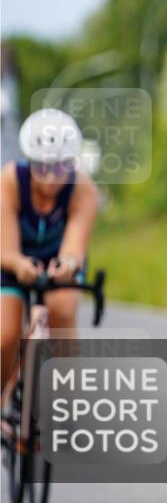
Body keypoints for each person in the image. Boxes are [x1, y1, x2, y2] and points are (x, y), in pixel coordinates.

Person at [1, 108, 100, 394]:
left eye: (60, 167)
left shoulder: (84, 189)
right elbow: (5, 249)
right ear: (29, 161)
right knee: (5, 335)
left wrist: (67, 264)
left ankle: (66, 398)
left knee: (61, 311)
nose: (51, 177)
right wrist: (20, 265)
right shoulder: (9, 181)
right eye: (42, 167)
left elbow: (74, 247)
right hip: (14, 261)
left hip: (59, 263)